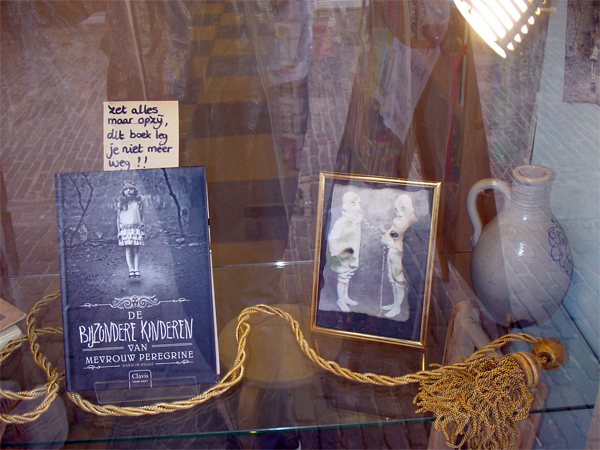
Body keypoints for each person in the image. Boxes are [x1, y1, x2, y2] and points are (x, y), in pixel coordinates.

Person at [381, 193, 418, 320]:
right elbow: (391, 235)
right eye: (396, 209)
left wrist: (392, 241)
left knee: (399, 281)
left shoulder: (410, 224)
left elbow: (404, 242)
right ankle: (395, 303)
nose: (398, 212)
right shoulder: (396, 221)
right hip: (392, 256)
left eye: (403, 208)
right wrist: (386, 235)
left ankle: (398, 307)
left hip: (399, 257)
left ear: (410, 209)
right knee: (392, 278)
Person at [328, 191, 363, 313]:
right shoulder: (342, 222)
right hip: (342, 257)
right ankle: (340, 300)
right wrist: (337, 254)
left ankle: (345, 297)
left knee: (347, 277)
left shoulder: (355, 220)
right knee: (342, 278)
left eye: (358, 203)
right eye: (353, 204)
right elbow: (332, 238)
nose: (357, 207)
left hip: (351, 256)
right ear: (345, 207)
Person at [117, 181, 145, 278]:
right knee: (129, 250)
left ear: (134, 190)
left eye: (131, 189)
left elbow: (141, 216)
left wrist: (142, 228)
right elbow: (118, 218)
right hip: (126, 229)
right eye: (126, 189)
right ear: (123, 191)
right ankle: (131, 270)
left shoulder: (138, 202)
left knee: (137, 249)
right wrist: (119, 231)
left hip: (136, 228)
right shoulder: (121, 203)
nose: (128, 191)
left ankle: (136, 269)